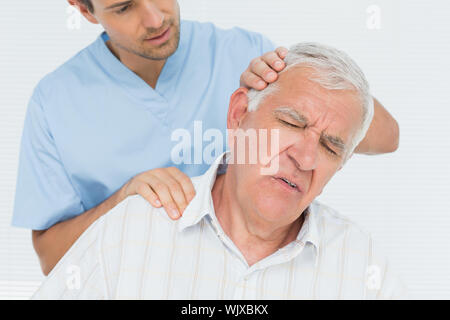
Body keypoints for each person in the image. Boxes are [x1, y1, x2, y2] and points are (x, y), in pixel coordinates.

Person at [13, 0, 399, 276]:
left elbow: (383, 134)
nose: (154, 17)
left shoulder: (244, 55)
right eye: (124, 6)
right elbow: (52, 261)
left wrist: (295, 96)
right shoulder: (54, 101)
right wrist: (121, 203)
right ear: (83, 10)